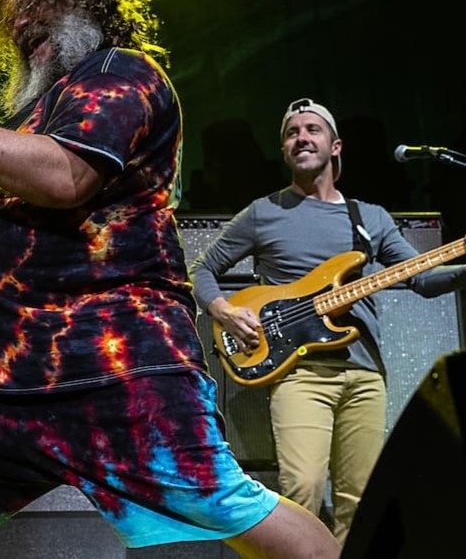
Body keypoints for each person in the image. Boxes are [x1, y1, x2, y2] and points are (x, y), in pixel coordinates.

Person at [0, 0, 340, 558]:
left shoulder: (119, 74)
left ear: (85, 5)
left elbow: (65, 176)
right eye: (11, 16)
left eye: (39, 4)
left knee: (221, 500)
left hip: (112, 362)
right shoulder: (43, 108)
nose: (22, 22)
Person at [189, 97, 466, 545]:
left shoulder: (369, 218)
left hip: (365, 374)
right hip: (299, 373)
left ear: (335, 146)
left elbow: (423, 279)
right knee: (302, 490)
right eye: (292, 133)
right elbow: (202, 269)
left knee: (361, 501)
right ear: (284, 151)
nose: (302, 137)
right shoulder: (264, 212)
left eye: (312, 129)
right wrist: (224, 310)